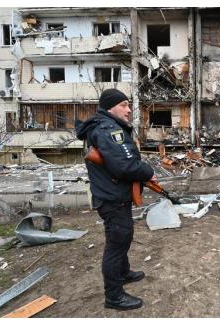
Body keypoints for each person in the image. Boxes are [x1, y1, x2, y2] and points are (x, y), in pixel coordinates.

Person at [75, 89, 154, 310]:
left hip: (113, 195)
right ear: (111, 108)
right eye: (124, 105)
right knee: (117, 244)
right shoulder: (109, 129)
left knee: (123, 236)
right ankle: (114, 296)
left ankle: (123, 272)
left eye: (129, 105)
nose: (129, 110)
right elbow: (124, 165)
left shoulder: (104, 126)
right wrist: (148, 172)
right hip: (112, 198)